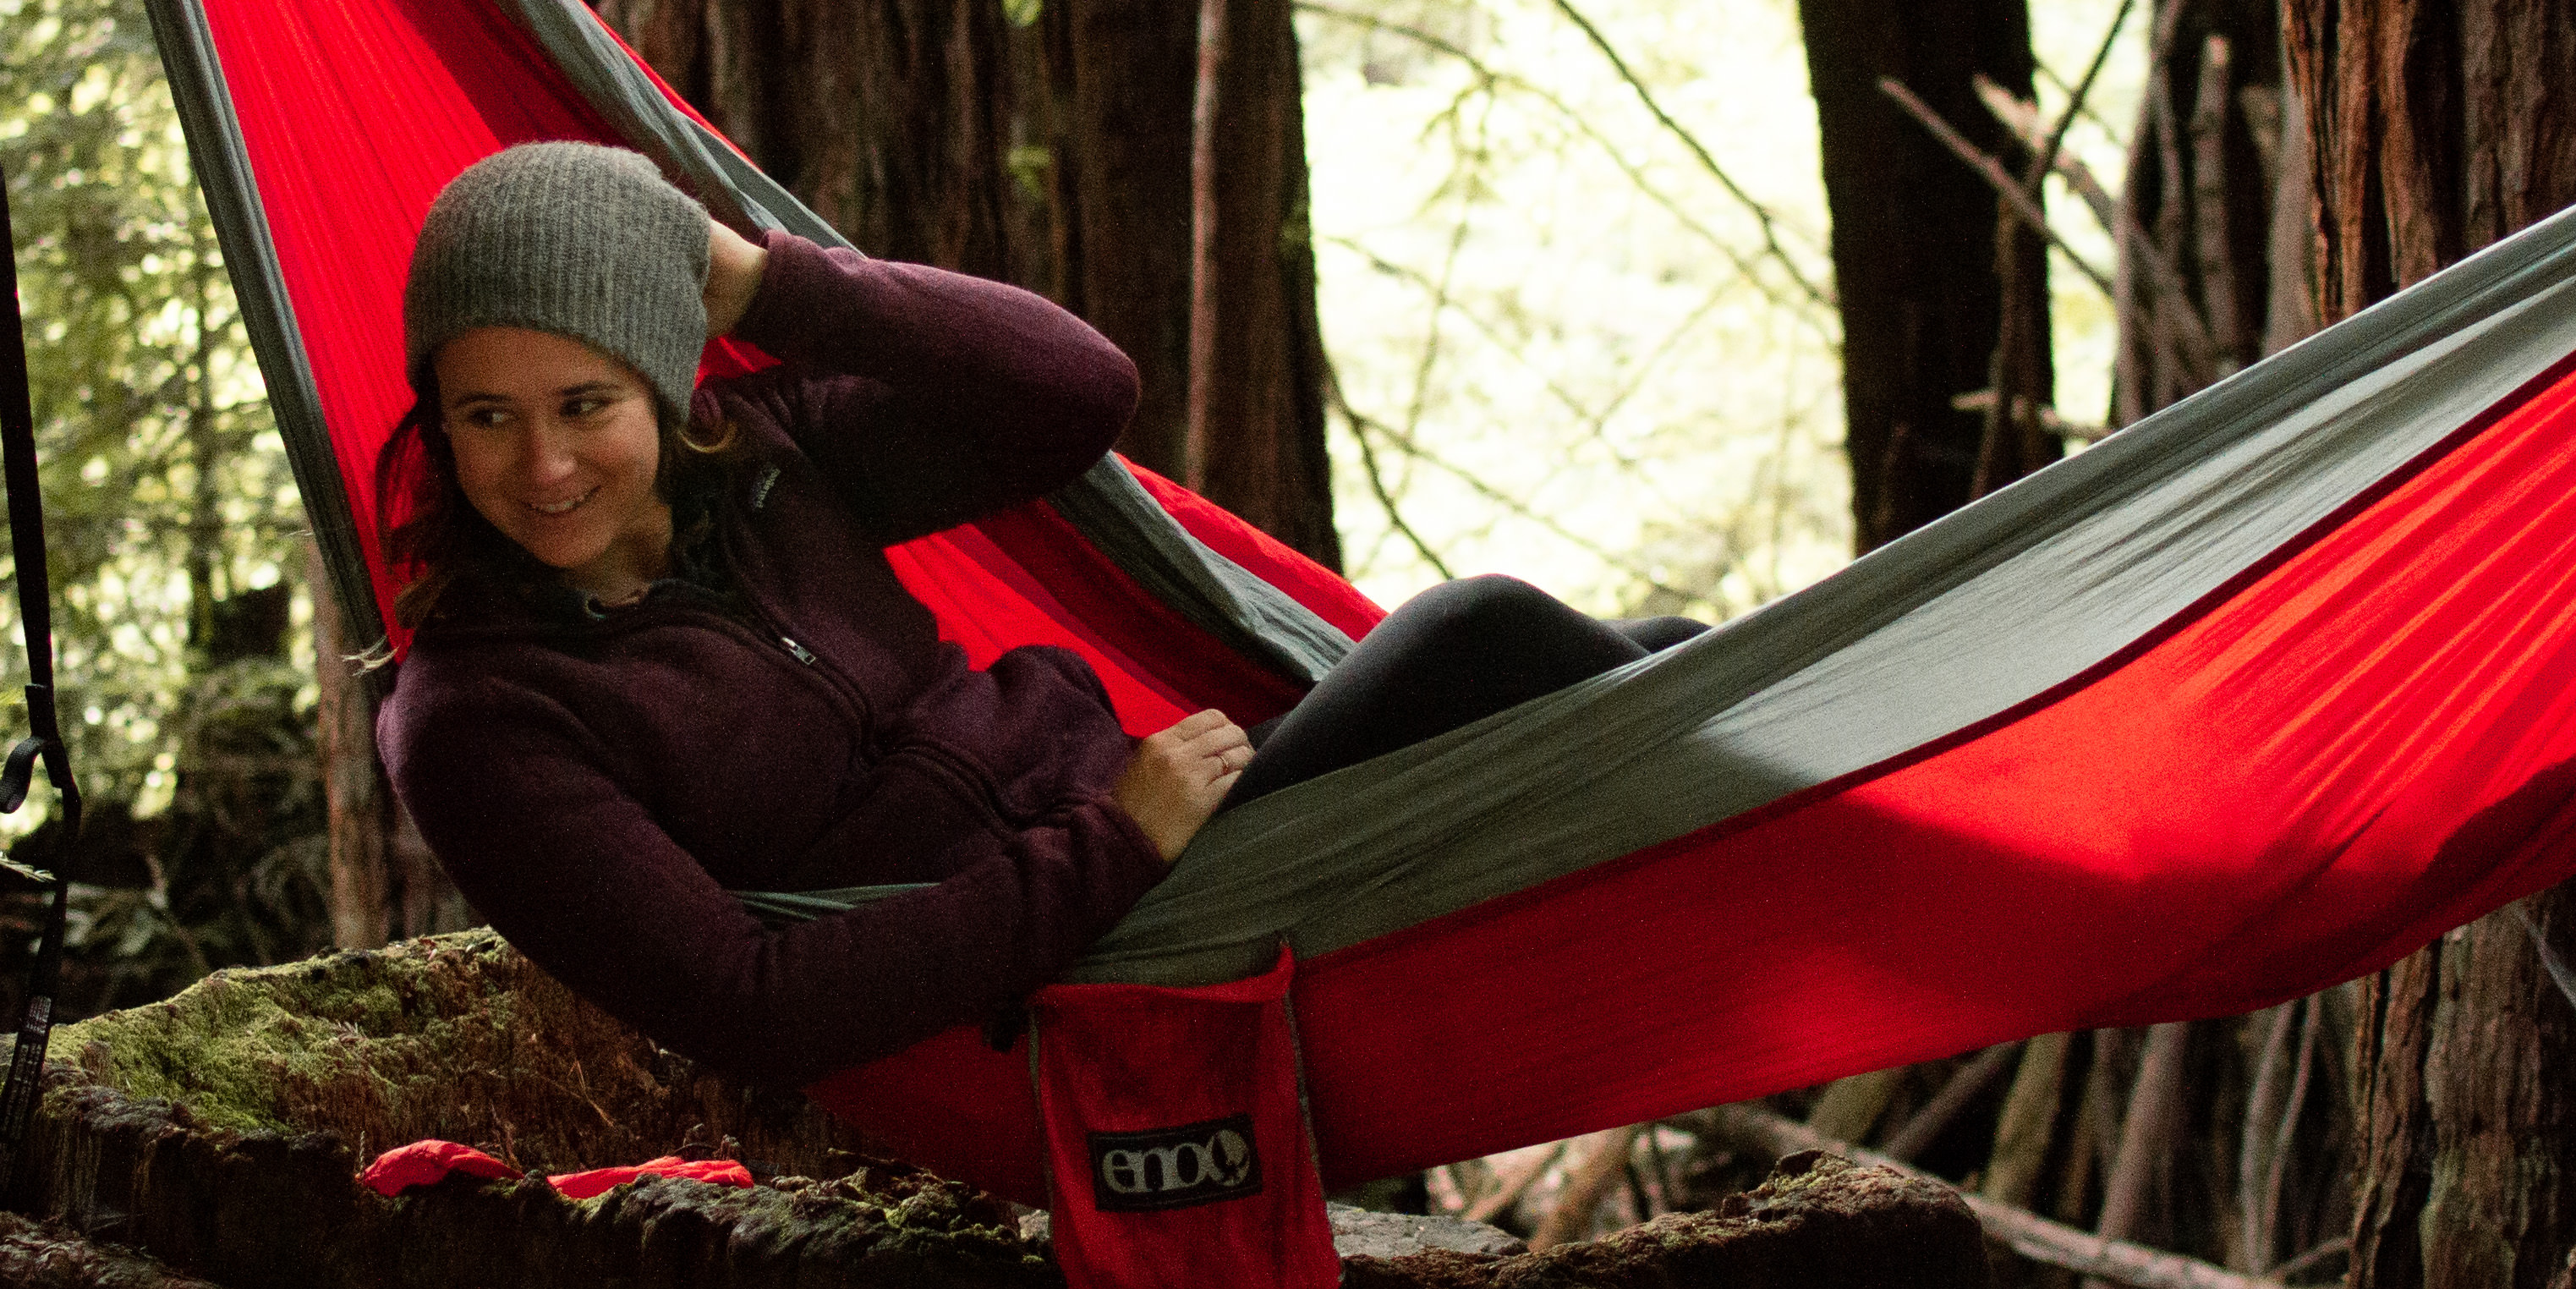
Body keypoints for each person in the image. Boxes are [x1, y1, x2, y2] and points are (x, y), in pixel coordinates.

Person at [372, 141, 1691, 1084]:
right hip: (1081, 961)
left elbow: (1074, 395)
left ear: (662, 385)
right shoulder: (480, 717)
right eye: (488, 417)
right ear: (441, 420)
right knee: (1480, 640)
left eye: (584, 405)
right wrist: (1111, 850)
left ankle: (1807, 832)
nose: (542, 468)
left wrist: (772, 285)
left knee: (1664, 666)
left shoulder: (765, 461)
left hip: (1158, 837)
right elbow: (748, 1004)